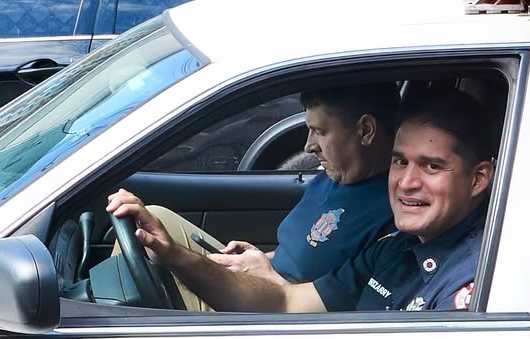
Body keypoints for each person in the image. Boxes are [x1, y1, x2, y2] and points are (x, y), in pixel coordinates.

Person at [107, 87, 495, 313]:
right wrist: (174, 254)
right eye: (400, 161)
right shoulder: (392, 252)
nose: (407, 182)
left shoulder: (478, 277)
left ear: (478, 179)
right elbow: (286, 302)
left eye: (431, 167)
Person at [144, 83, 400, 309]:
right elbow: (311, 251)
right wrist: (260, 258)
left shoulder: (394, 214)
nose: (308, 146)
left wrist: (269, 278)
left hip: (269, 311)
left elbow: (321, 302)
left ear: (366, 130)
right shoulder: (334, 177)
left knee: (142, 261)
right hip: (263, 283)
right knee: (152, 218)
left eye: (320, 131)